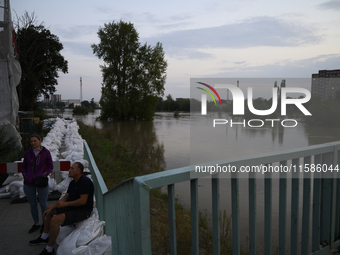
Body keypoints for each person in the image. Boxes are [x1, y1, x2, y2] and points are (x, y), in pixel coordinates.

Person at [29, 162, 94, 255]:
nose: (69, 170)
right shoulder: (73, 182)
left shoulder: (84, 182)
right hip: (72, 207)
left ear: (78, 171)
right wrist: (53, 207)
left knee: (55, 220)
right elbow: (65, 197)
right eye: (70, 168)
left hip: (82, 211)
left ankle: (49, 249)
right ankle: (44, 237)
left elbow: (83, 201)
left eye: (72, 168)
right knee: (49, 208)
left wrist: (65, 204)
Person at [22, 134, 54, 234]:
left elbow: (50, 166)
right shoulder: (27, 153)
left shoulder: (46, 152)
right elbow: (24, 166)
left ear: (40, 141)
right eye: (31, 141)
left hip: (41, 182)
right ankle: (36, 223)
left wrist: (44, 175)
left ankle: (45, 224)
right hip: (28, 183)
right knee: (33, 204)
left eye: (35, 141)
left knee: (43, 203)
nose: (33, 143)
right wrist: (25, 176)